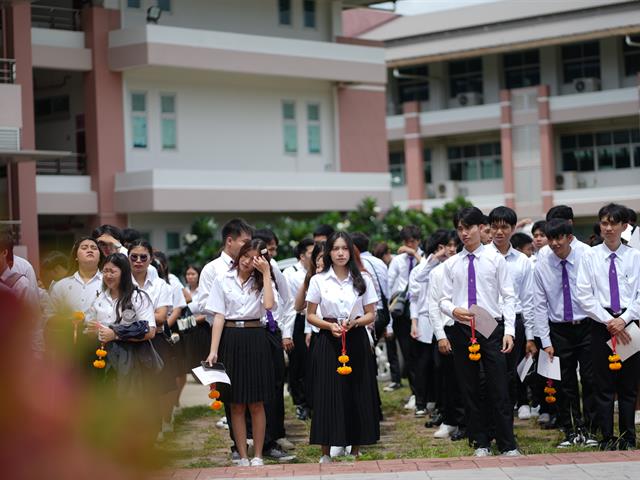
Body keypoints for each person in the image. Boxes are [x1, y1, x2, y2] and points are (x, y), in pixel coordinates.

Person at [439, 206, 520, 457]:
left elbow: (508, 297)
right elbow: (442, 299)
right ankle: (480, 442)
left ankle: (507, 444)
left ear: (481, 228)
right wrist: (454, 310)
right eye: (460, 229)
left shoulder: (496, 259)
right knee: (470, 387)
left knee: (499, 386)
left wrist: (509, 331)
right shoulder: (452, 264)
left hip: (490, 326)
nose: (464, 233)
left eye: (468, 228)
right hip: (462, 328)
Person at [306, 232, 380, 464]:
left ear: (351, 252)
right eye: (335, 248)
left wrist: (356, 322)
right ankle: (325, 451)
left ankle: (355, 449)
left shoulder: (363, 279)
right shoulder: (319, 280)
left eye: (345, 249)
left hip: (355, 337)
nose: (340, 253)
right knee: (327, 393)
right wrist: (329, 326)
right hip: (328, 341)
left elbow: (371, 314)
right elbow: (310, 315)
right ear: (328, 252)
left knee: (356, 391)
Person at [205, 239, 278, 467]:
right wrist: (213, 350)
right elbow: (218, 315)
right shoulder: (222, 278)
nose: (248, 261)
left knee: (256, 402)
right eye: (245, 255)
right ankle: (242, 454)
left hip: (256, 336)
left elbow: (268, 306)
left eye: (255, 257)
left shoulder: (264, 280)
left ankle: (258, 454)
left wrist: (266, 274)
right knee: (235, 402)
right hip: (230, 337)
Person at [576, 203, 640, 450]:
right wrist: (608, 321)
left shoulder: (635, 257)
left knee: (627, 385)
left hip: (629, 324)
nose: (609, 228)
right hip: (600, 324)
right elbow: (584, 295)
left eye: (614, 223)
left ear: (625, 226)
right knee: (602, 384)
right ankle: (606, 436)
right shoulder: (590, 256)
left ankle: (628, 436)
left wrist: (624, 319)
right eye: (604, 223)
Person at [534, 219, 597, 448]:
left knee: (590, 379)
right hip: (558, 329)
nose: (554, 243)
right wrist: (545, 339)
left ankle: (590, 429)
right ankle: (571, 430)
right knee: (564, 382)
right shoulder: (542, 264)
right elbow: (539, 304)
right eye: (551, 239)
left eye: (559, 238)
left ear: (570, 238)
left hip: (587, 325)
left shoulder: (586, 258)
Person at [488, 206, 537, 419]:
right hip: (487, 320)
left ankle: (506, 420)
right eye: (495, 227)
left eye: (504, 227)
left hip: (515, 321)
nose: (499, 232)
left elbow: (528, 300)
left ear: (513, 228)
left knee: (510, 372)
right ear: (489, 229)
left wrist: (530, 335)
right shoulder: (481, 257)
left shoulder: (522, 261)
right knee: (488, 373)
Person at [87, 253, 158, 397]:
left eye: (112, 271)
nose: (108, 275)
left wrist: (115, 334)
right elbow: (92, 324)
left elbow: (150, 331)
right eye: (105, 271)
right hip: (104, 357)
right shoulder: (99, 298)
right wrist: (92, 330)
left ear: (124, 273)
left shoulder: (138, 297)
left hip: (132, 358)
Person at [127, 239, 174, 439]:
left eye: (143, 257)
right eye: (134, 257)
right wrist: (147, 315)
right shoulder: (120, 281)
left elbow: (162, 317)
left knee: (153, 390)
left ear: (150, 259)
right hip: (125, 340)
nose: (138, 261)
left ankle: (154, 432)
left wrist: (131, 316)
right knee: (129, 388)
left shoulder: (161, 285)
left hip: (155, 340)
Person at [408, 230, 455, 419]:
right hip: (424, 319)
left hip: (446, 319)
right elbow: (415, 292)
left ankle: (438, 403)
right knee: (422, 364)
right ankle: (421, 401)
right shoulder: (424, 267)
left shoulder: (453, 265)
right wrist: (414, 322)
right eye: (443, 246)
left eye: (451, 246)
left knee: (439, 366)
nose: (447, 250)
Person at [428, 231, 465, 440]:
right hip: (447, 329)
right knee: (449, 380)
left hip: (470, 328)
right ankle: (451, 420)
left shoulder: (467, 266)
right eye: (448, 245)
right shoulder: (438, 272)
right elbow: (433, 306)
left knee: (468, 380)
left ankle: (467, 421)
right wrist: (440, 335)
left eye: (454, 244)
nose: (452, 248)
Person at [47, 237, 104, 357]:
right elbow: (49, 318)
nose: (90, 250)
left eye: (94, 248)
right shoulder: (61, 286)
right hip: (69, 346)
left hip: (103, 344)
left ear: (99, 257)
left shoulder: (110, 283)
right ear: (76, 257)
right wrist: (69, 321)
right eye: (84, 248)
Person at [388, 225, 423, 408]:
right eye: (407, 242)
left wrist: (415, 254)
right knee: (408, 353)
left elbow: (426, 269)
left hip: (420, 307)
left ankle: (424, 394)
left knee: (422, 354)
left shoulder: (425, 257)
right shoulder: (397, 261)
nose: (410, 245)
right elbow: (389, 283)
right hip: (402, 309)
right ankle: (415, 393)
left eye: (413, 241)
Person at [283, 238, 315, 421]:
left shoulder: (319, 271)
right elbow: (288, 303)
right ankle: (300, 403)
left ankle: (313, 401)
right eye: (311, 253)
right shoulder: (290, 273)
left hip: (315, 320)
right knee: (298, 364)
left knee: (312, 363)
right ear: (302, 256)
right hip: (298, 320)